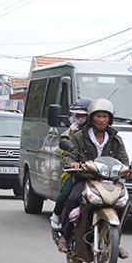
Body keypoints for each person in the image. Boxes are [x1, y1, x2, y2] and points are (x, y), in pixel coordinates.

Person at [58, 98, 132, 259]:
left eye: (105, 117)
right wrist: (72, 163)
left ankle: (115, 241)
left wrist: (128, 170)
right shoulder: (80, 137)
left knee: (125, 204)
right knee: (73, 199)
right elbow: (69, 155)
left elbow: (124, 160)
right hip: (85, 178)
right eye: (98, 116)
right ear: (92, 117)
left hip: (110, 181)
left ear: (110, 119)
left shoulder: (115, 139)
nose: (101, 120)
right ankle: (64, 237)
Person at [49, 97, 93, 231]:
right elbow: (65, 153)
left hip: (98, 173)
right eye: (77, 115)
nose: (80, 117)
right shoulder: (72, 132)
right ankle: (57, 215)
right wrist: (73, 163)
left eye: (83, 115)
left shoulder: (102, 132)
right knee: (69, 194)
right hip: (76, 173)